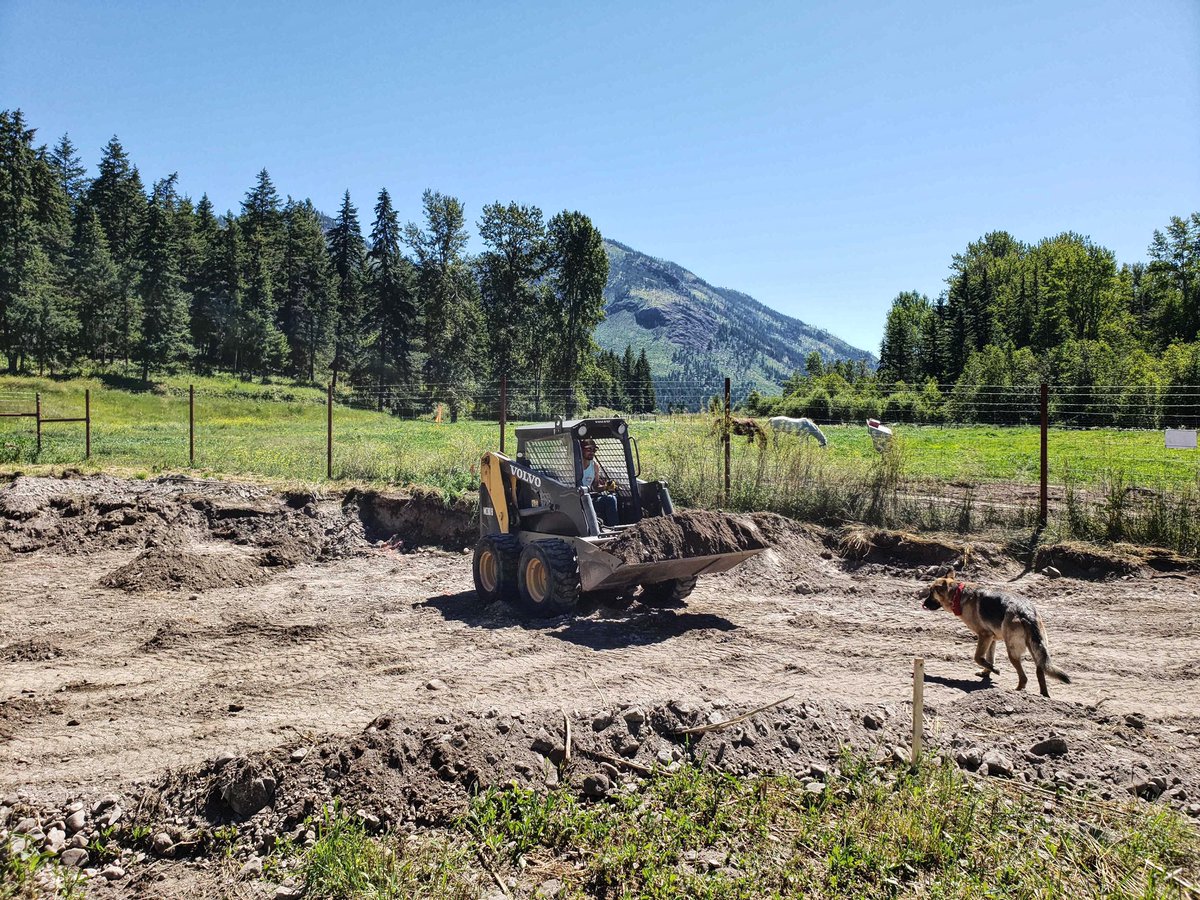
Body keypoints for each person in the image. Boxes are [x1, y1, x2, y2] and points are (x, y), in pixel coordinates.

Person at [580, 439, 619, 527]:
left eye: (594, 450)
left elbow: (595, 486)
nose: (592, 452)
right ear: (581, 450)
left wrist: (606, 487)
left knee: (611, 499)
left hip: (589, 499)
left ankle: (613, 528)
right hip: (575, 501)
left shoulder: (594, 466)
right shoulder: (574, 465)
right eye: (589, 449)